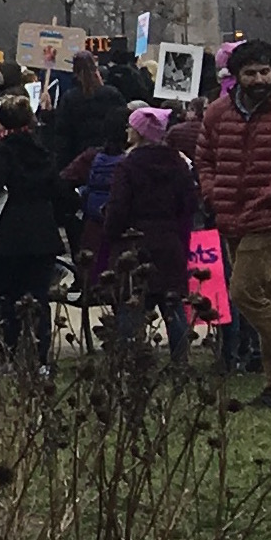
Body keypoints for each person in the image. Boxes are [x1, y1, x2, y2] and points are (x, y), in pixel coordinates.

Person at [196, 38, 271, 402]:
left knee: (243, 290)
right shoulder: (218, 113)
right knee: (268, 294)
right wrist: (212, 192)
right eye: (250, 72)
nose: (258, 79)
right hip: (232, 213)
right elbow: (204, 157)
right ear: (236, 76)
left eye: (264, 71)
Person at [0, 98, 77, 373]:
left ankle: (0, 356)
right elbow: (60, 192)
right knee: (38, 299)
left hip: (6, 238)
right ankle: (39, 358)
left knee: (0, 297)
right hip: (41, 235)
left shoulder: (2, 152)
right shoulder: (42, 152)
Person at [99, 105, 201, 363]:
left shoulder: (128, 166)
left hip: (135, 241)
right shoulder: (177, 163)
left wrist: (110, 233)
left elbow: (118, 206)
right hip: (169, 239)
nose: (126, 130)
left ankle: (129, 359)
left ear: (139, 132)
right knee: (172, 302)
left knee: (131, 304)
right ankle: (180, 360)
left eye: (130, 126)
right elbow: (189, 203)